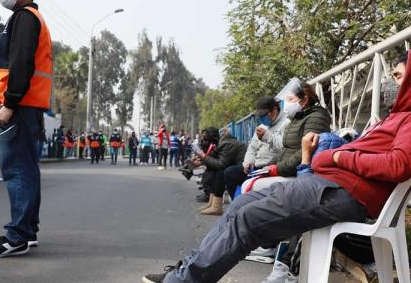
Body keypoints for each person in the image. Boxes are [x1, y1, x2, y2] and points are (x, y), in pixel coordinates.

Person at [142, 52, 411, 283]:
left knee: (249, 219)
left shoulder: (408, 118)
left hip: (343, 191)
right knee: (240, 204)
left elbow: (398, 165)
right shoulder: (395, 117)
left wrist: (338, 158)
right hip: (326, 183)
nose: (391, 82)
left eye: (399, 76)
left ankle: (182, 280)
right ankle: (187, 270)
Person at [0, 0, 52, 258]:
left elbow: (21, 62)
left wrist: (9, 103)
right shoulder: (33, 18)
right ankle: (27, 232)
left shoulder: (24, 18)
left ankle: (17, 236)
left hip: (19, 107)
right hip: (28, 107)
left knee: (17, 170)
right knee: (27, 169)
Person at [240, 80, 331, 193]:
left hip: (299, 173)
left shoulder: (316, 117)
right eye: (286, 100)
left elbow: (304, 152)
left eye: (290, 99)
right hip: (284, 169)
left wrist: (277, 169)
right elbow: (285, 149)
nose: (286, 104)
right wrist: (267, 168)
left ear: (305, 100)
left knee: (249, 187)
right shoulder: (297, 118)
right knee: (247, 184)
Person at [224, 96, 290, 199]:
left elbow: (285, 147)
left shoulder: (286, 123)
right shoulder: (262, 126)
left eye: (264, 115)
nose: (262, 118)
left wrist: (267, 136)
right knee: (230, 173)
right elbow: (252, 148)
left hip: (270, 167)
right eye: (260, 116)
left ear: (274, 110)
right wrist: (247, 162)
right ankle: (237, 204)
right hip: (255, 167)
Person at [194, 128, 247, 216]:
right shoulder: (222, 142)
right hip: (238, 166)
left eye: (205, 137)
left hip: (245, 168)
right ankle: (212, 203)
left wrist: (203, 156)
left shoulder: (227, 143)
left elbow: (221, 164)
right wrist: (201, 161)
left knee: (221, 171)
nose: (203, 139)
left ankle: (217, 207)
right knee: (214, 169)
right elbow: (214, 159)